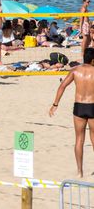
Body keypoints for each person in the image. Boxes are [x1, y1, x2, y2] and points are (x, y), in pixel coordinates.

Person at [49, 48, 94, 178]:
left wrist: (55, 104)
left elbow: (62, 86)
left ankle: (79, 171)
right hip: (92, 106)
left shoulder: (75, 70)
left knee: (79, 140)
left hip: (79, 107)